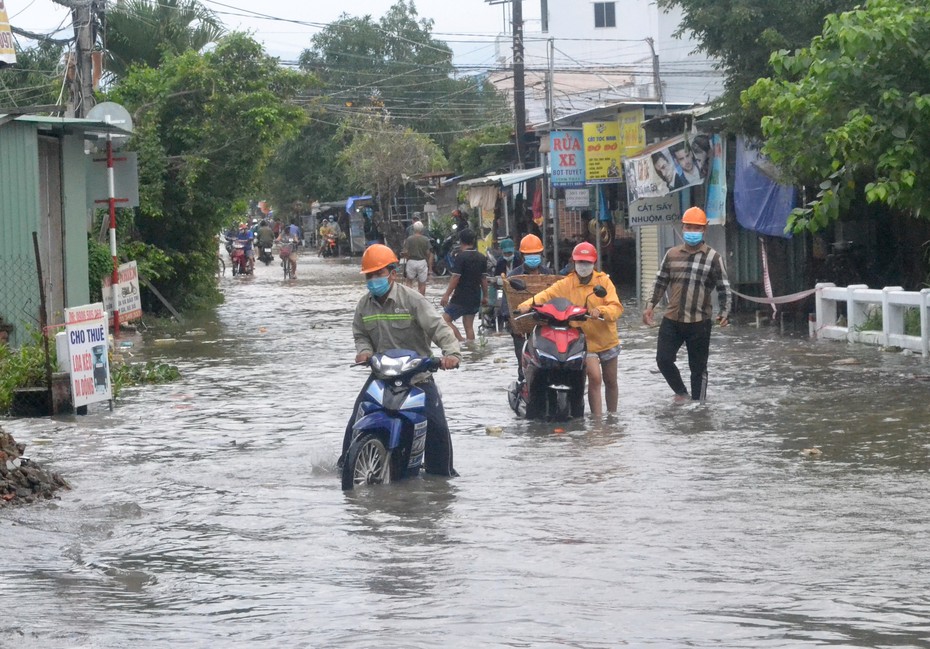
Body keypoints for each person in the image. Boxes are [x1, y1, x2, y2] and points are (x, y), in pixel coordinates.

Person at [342, 244, 461, 476]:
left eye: (379, 274)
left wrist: (451, 354)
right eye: (370, 275)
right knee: (356, 416)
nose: (374, 279)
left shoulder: (412, 300)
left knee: (437, 427)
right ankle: (345, 467)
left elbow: (439, 328)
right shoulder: (363, 305)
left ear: (392, 274)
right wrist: (364, 351)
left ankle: (442, 478)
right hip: (382, 376)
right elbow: (360, 334)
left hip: (417, 376)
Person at [517, 242, 623, 417]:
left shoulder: (604, 282)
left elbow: (616, 307)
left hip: (607, 339)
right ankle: (597, 422)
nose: (583, 266)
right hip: (583, 342)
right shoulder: (566, 283)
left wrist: (601, 311)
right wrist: (526, 305)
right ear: (573, 262)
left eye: (587, 262)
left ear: (594, 263)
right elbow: (545, 295)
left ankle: (612, 418)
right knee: (595, 378)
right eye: (580, 262)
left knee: (611, 381)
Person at [642, 207, 731, 403]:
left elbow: (723, 287)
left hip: (699, 321)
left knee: (698, 370)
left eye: (697, 227)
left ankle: (699, 408)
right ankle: (681, 393)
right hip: (672, 319)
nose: (692, 231)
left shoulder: (713, 258)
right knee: (663, 360)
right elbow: (660, 282)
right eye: (689, 226)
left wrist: (725, 311)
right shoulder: (672, 255)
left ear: (704, 230)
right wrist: (650, 306)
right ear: (683, 227)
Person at [507, 234, 554, 381]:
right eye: (529, 254)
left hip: (544, 323)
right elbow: (507, 305)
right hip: (521, 326)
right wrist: (514, 325)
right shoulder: (514, 276)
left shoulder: (549, 274)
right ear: (522, 256)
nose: (533, 257)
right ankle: (523, 386)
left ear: (541, 254)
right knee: (523, 362)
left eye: (536, 254)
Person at [440, 228, 488, 342]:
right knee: (469, 327)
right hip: (475, 296)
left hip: (460, 297)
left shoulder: (460, 257)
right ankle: (470, 348)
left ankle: (461, 341)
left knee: (444, 321)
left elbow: (455, 277)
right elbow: (484, 279)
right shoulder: (482, 257)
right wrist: (485, 296)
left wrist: (446, 295)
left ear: (461, 241)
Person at [401, 220, 433, 295]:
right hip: (422, 262)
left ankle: (409, 298)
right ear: (422, 229)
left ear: (413, 229)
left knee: (409, 281)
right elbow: (428, 253)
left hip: (411, 262)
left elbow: (405, 252)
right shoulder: (425, 239)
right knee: (422, 283)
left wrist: (407, 257)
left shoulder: (409, 239)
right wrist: (428, 262)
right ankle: (421, 299)